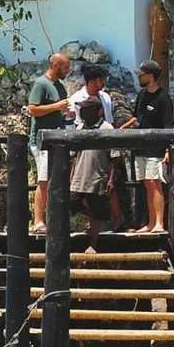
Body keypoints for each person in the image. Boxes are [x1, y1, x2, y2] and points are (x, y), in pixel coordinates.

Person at [25, 52, 74, 233]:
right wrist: (57, 107)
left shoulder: (60, 86)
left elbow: (59, 109)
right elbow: (32, 109)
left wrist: (67, 112)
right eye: (65, 67)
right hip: (41, 140)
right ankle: (38, 220)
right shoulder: (41, 84)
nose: (67, 71)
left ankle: (53, 218)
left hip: (57, 139)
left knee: (57, 179)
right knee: (43, 180)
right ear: (55, 65)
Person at [123, 59, 172, 234]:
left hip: (156, 148)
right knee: (146, 183)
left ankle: (159, 222)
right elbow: (137, 118)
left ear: (150, 76)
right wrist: (121, 130)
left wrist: (168, 150)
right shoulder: (142, 94)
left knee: (155, 182)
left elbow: (168, 126)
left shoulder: (163, 98)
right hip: (140, 146)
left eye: (141, 75)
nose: (139, 77)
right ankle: (150, 223)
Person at [68, 94, 116, 247]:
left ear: (96, 110)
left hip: (98, 176)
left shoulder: (107, 128)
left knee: (97, 206)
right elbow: (74, 155)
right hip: (79, 176)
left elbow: (115, 156)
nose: (81, 111)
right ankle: (94, 217)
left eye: (85, 109)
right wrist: (72, 175)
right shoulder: (80, 128)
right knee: (70, 202)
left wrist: (111, 179)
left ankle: (93, 243)